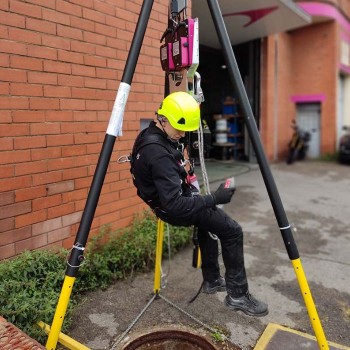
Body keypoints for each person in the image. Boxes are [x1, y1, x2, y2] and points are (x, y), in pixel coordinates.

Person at [130, 91, 268, 317]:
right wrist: (215, 198)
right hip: (174, 208)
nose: (182, 134)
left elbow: (169, 170)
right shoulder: (158, 154)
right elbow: (176, 205)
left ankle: (212, 280)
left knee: (208, 222)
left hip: (166, 201)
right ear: (163, 119)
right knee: (232, 231)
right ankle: (238, 295)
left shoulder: (150, 135)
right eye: (179, 129)